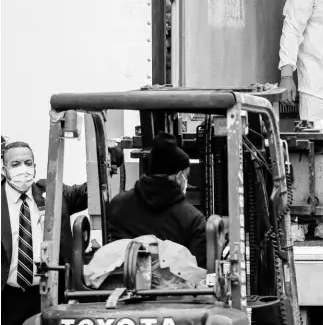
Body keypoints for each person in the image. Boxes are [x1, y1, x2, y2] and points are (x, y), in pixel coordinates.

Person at [1, 141, 88, 325]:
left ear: (34, 167)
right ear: (4, 170)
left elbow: (86, 192)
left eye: (28, 162)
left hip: (48, 294)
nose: (23, 168)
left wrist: (108, 162)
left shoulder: (53, 193)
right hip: (7, 298)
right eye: (15, 164)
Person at [107, 132, 207, 269]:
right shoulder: (193, 220)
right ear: (179, 176)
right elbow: (200, 274)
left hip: (119, 287)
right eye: (186, 176)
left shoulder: (117, 205)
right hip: (175, 289)